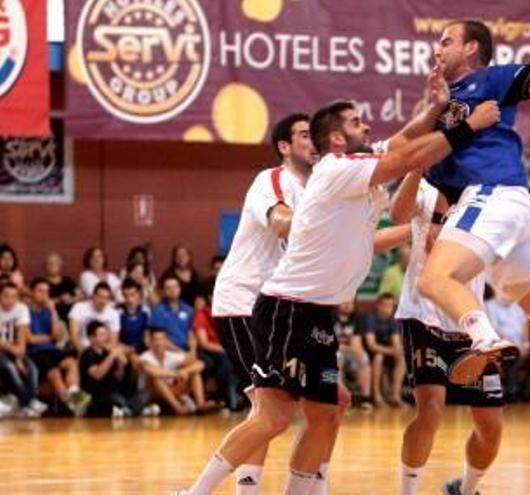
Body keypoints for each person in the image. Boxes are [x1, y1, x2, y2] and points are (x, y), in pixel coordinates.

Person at [179, 75, 498, 495]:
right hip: (286, 308)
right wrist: (466, 126)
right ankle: (196, 493)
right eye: (356, 122)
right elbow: (406, 156)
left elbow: (403, 142)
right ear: (336, 139)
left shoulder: (354, 173)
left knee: (328, 411)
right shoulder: (338, 170)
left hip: (317, 313)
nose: (367, 127)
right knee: (272, 415)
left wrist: (436, 108)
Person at [417, 7, 530, 385]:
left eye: (446, 41)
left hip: (493, 194)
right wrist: (439, 221)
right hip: (493, 210)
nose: (437, 49)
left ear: (472, 47)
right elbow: (437, 173)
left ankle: (485, 339)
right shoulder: (440, 104)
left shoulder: (491, 80)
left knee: (434, 280)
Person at [209, 111, 317, 494]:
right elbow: (279, 221)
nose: (313, 140)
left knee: (276, 411)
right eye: (305, 134)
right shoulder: (272, 180)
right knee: (270, 410)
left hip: (275, 310)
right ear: (285, 147)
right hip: (242, 302)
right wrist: (321, 222)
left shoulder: (314, 188)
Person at [390, 168, 502, 495]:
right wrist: (416, 165)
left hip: (470, 319)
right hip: (423, 314)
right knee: (431, 410)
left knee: (491, 426)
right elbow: (397, 214)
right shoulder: (424, 186)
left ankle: (464, 490)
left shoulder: (490, 195)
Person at [27, 277, 90, 415]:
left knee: (71, 363)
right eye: (40, 291)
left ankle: (74, 397)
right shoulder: (25, 311)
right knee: (54, 373)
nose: (44, 295)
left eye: (47, 292)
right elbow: (29, 339)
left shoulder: (49, 311)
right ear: (32, 292)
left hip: (52, 349)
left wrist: (53, 311)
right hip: (35, 353)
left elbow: (56, 337)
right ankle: (70, 404)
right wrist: (46, 337)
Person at [79, 321, 155, 417]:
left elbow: (118, 376)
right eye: (101, 335)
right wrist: (112, 355)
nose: (105, 338)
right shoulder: (88, 354)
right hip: (98, 395)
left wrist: (120, 363)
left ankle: (128, 410)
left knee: (146, 394)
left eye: (106, 334)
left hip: (115, 391)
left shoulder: (107, 352)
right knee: (117, 399)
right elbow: (97, 375)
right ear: (91, 338)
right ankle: (135, 410)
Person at [139, 327, 214, 416]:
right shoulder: (144, 357)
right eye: (156, 340)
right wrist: (176, 374)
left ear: (167, 341)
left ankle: (201, 405)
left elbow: (200, 364)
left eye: (162, 339)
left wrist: (185, 371)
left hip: (172, 391)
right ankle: (178, 408)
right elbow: (152, 371)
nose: (159, 343)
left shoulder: (171, 355)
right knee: (156, 379)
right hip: (151, 394)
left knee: (195, 373)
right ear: (151, 342)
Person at [0, 282, 45, 417]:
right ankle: (28, 402)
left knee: (31, 368)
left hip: (13, 347)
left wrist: (20, 355)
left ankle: (27, 404)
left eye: (14, 297)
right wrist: (13, 350)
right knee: (9, 367)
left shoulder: (21, 308)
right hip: (3, 348)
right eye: (6, 296)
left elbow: (22, 333)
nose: (10, 300)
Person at [363, 292, 405, 407]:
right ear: (378, 305)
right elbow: (371, 345)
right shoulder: (370, 318)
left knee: (401, 358)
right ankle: (377, 396)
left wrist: (397, 351)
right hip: (371, 353)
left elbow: (396, 342)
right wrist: (392, 351)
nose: (387, 309)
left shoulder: (394, 320)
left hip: (387, 351)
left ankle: (395, 395)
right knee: (378, 356)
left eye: (390, 306)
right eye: (384, 305)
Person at [334, 299, 372, 409]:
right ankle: (338, 397)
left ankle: (366, 398)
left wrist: (357, 352)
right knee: (336, 357)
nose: (347, 305)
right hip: (335, 351)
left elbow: (357, 344)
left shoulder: (357, 318)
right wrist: (348, 348)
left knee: (363, 357)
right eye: (344, 302)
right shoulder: (331, 316)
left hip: (349, 351)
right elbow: (332, 344)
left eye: (350, 303)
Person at [68, 282, 121, 355]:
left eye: (106, 298)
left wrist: (101, 354)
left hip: (103, 351)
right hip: (81, 349)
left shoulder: (114, 314)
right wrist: (83, 353)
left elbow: (113, 341)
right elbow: (74, 335)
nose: (102, 301)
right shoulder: (78, 307)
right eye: (100, 296)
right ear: (93, 295)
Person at [149, 275, 196, 354]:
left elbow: (191, 334)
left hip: (186, 348)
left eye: (175, 287)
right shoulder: (158, 311)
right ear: (163, 291)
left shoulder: (188, 310)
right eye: (168, 288)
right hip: (168, 350)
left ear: (180, 289)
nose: (172, 290)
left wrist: (193, 351)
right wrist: (180, 352)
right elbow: (159, 339)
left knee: (206, 361)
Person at [43, 252, 81, 323]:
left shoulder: (68, 281)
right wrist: (59, 300)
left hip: (71, 316)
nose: (52, 266)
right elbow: (40, 300)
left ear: (60, 265)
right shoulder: (41, 282)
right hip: (51, 317)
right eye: (49, 264)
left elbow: (81, 296)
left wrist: (71, 299)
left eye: (55, 263)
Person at [118, 278, 150, 354]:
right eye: (126, 295)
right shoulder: (117, 311)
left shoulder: (145, 310)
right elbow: (115, 337)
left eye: (132, 294)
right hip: (122, 350)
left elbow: (146, 338)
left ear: (138, 294)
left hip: (140, 349)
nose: (129, 299)